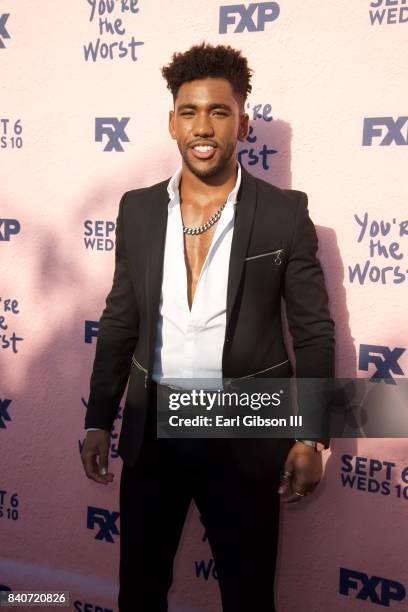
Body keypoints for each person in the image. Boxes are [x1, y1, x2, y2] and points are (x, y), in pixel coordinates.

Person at [81, 42, 335, 612]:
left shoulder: (284, 214)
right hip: (154, 428)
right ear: (172, 122)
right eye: (191, 111)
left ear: (242, 123)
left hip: (244, 430)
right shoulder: (138, 210)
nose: (204, 126)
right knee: (140, 592)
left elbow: (313, 333)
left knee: (247, 596)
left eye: (220, 112)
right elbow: (121, 319)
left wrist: (310, 435)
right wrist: (99, 418)